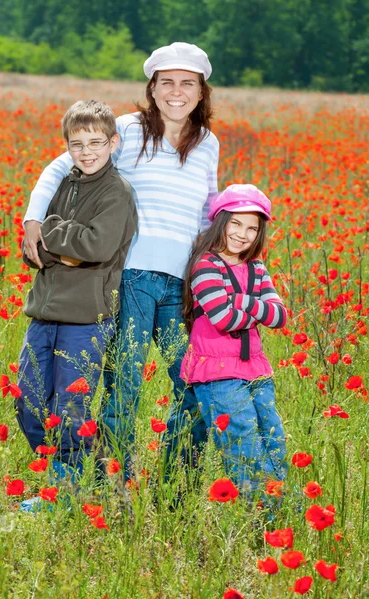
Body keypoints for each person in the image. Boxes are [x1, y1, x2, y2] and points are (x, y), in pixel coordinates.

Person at [22, 42, 219, 481]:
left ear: (201, 92)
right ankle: (114, 483)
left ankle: (176, 480)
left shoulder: (207, 142)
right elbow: (61, 165)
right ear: (152, 87)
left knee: (192, 382)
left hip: (180, 284)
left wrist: (214, 269)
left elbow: (207, 210)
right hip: (131, 279)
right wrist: (33, 218)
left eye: (188, 83)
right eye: (166, 82)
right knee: (122, 390)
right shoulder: (127, 129)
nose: (176, 91)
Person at [17, 100, 138, 500]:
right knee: (30, 405)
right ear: (66, 146)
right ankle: (85, 479)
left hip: (86, 319)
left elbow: (96, 246)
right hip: (43, 314)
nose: (86, 152)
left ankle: (65, 493)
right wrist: (61, 245)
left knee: (70, 413)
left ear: (113, 143)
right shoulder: (61, 185)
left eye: (96, 142)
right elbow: (32, 250)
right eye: (77, 143)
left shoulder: (116, 192)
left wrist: (48, 230)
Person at [181, 184, 287, 495]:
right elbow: (224, 320)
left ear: (259, 233)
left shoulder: (255, 266)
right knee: (242, 444)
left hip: (256, 370)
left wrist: (241, 300)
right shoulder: (205, 265)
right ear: (220, 221)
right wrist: (257, 306)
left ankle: (273, 506)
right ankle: (256, 513)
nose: (242, 234)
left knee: (274, 439)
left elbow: (279, 316)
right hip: (219, 374)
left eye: (252, 228)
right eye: (235, 224)